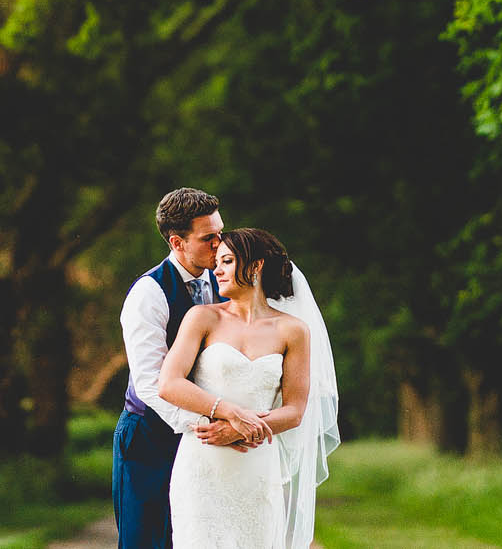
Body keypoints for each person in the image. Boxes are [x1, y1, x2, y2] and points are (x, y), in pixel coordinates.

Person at [160, 228, 338, 549]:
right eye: (217, 262)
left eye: (227, 261)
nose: (217, 270)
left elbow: (295, 410)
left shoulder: (293, 330)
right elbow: (169, 383)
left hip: (256, 467)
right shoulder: (202, 318)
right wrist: (231, 414)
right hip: (203, 464)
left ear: (255, 267)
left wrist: (241, 431)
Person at [113, 188, 251, 549]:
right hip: (150, 438)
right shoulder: (148, 294)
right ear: (177, 242)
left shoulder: (226, 284)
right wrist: (208, 427)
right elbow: (148, 382)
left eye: (221, 232)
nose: (221, 244)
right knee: (149, 540)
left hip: (211, 436)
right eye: (209, 238)